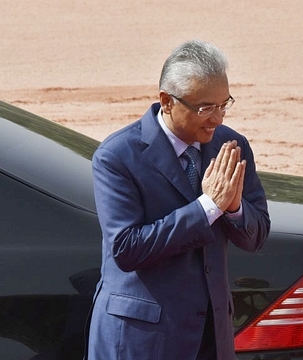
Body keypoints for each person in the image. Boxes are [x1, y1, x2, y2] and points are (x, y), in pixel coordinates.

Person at [86, 40, 271, 360]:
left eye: (224, 104)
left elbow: (256, 235)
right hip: (142, 340)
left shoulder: (231, 145)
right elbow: (127, 248)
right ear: (167, 102)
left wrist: (233, 208)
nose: (218, 118)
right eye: (205, 108)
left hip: (212, 337)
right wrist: (208, 207)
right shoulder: (116, 157)